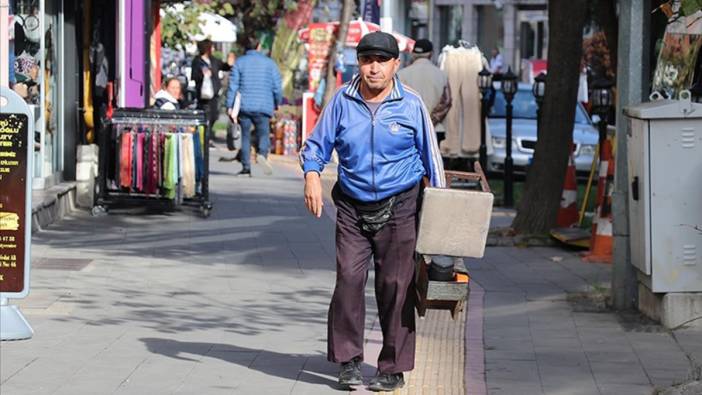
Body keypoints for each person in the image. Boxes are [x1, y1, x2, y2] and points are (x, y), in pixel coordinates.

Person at [299, 31, 445, 392]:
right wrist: (311, 176)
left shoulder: (411, 105)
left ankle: (392, 367)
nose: (374, 68)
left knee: (396, 286)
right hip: (351, 205)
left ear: (397, 65)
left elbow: (434, 165)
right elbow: (317, 146)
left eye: (382, 61)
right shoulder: (342, 101)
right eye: (367, 60)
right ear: (358, 62)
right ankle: (348, 361)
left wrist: (443, 226)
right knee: (348, 279)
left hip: (400, 205)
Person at [225, 35, 282, 177]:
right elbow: (277, 87)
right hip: (264, 105)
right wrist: (277, 102)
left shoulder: (239, 63)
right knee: (263, 133)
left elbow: (233, 86)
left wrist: (229, 105)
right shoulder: (270, 64)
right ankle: (262, 153)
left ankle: (246, 167)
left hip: (245, 106)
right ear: (258, 47)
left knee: (245, 136)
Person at [398, 38, 452, 145]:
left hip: (409, 128)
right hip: (436, 129)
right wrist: (431, 120)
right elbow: (447, 102)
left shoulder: (401, 74)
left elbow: (398, 101)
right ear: (431, 54)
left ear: (413, 54)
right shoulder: (442, 75)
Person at [190, 39, 233, 135]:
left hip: (213, 93)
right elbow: (194, 76)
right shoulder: (197, 61)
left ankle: (208, 134)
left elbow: (224, 66)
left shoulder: (214, 60)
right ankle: (203, 135)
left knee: (214, 115)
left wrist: (229, 64)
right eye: (211, 47)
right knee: (203, 115)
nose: (213, 49)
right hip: (202, 94)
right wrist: (203, 75)